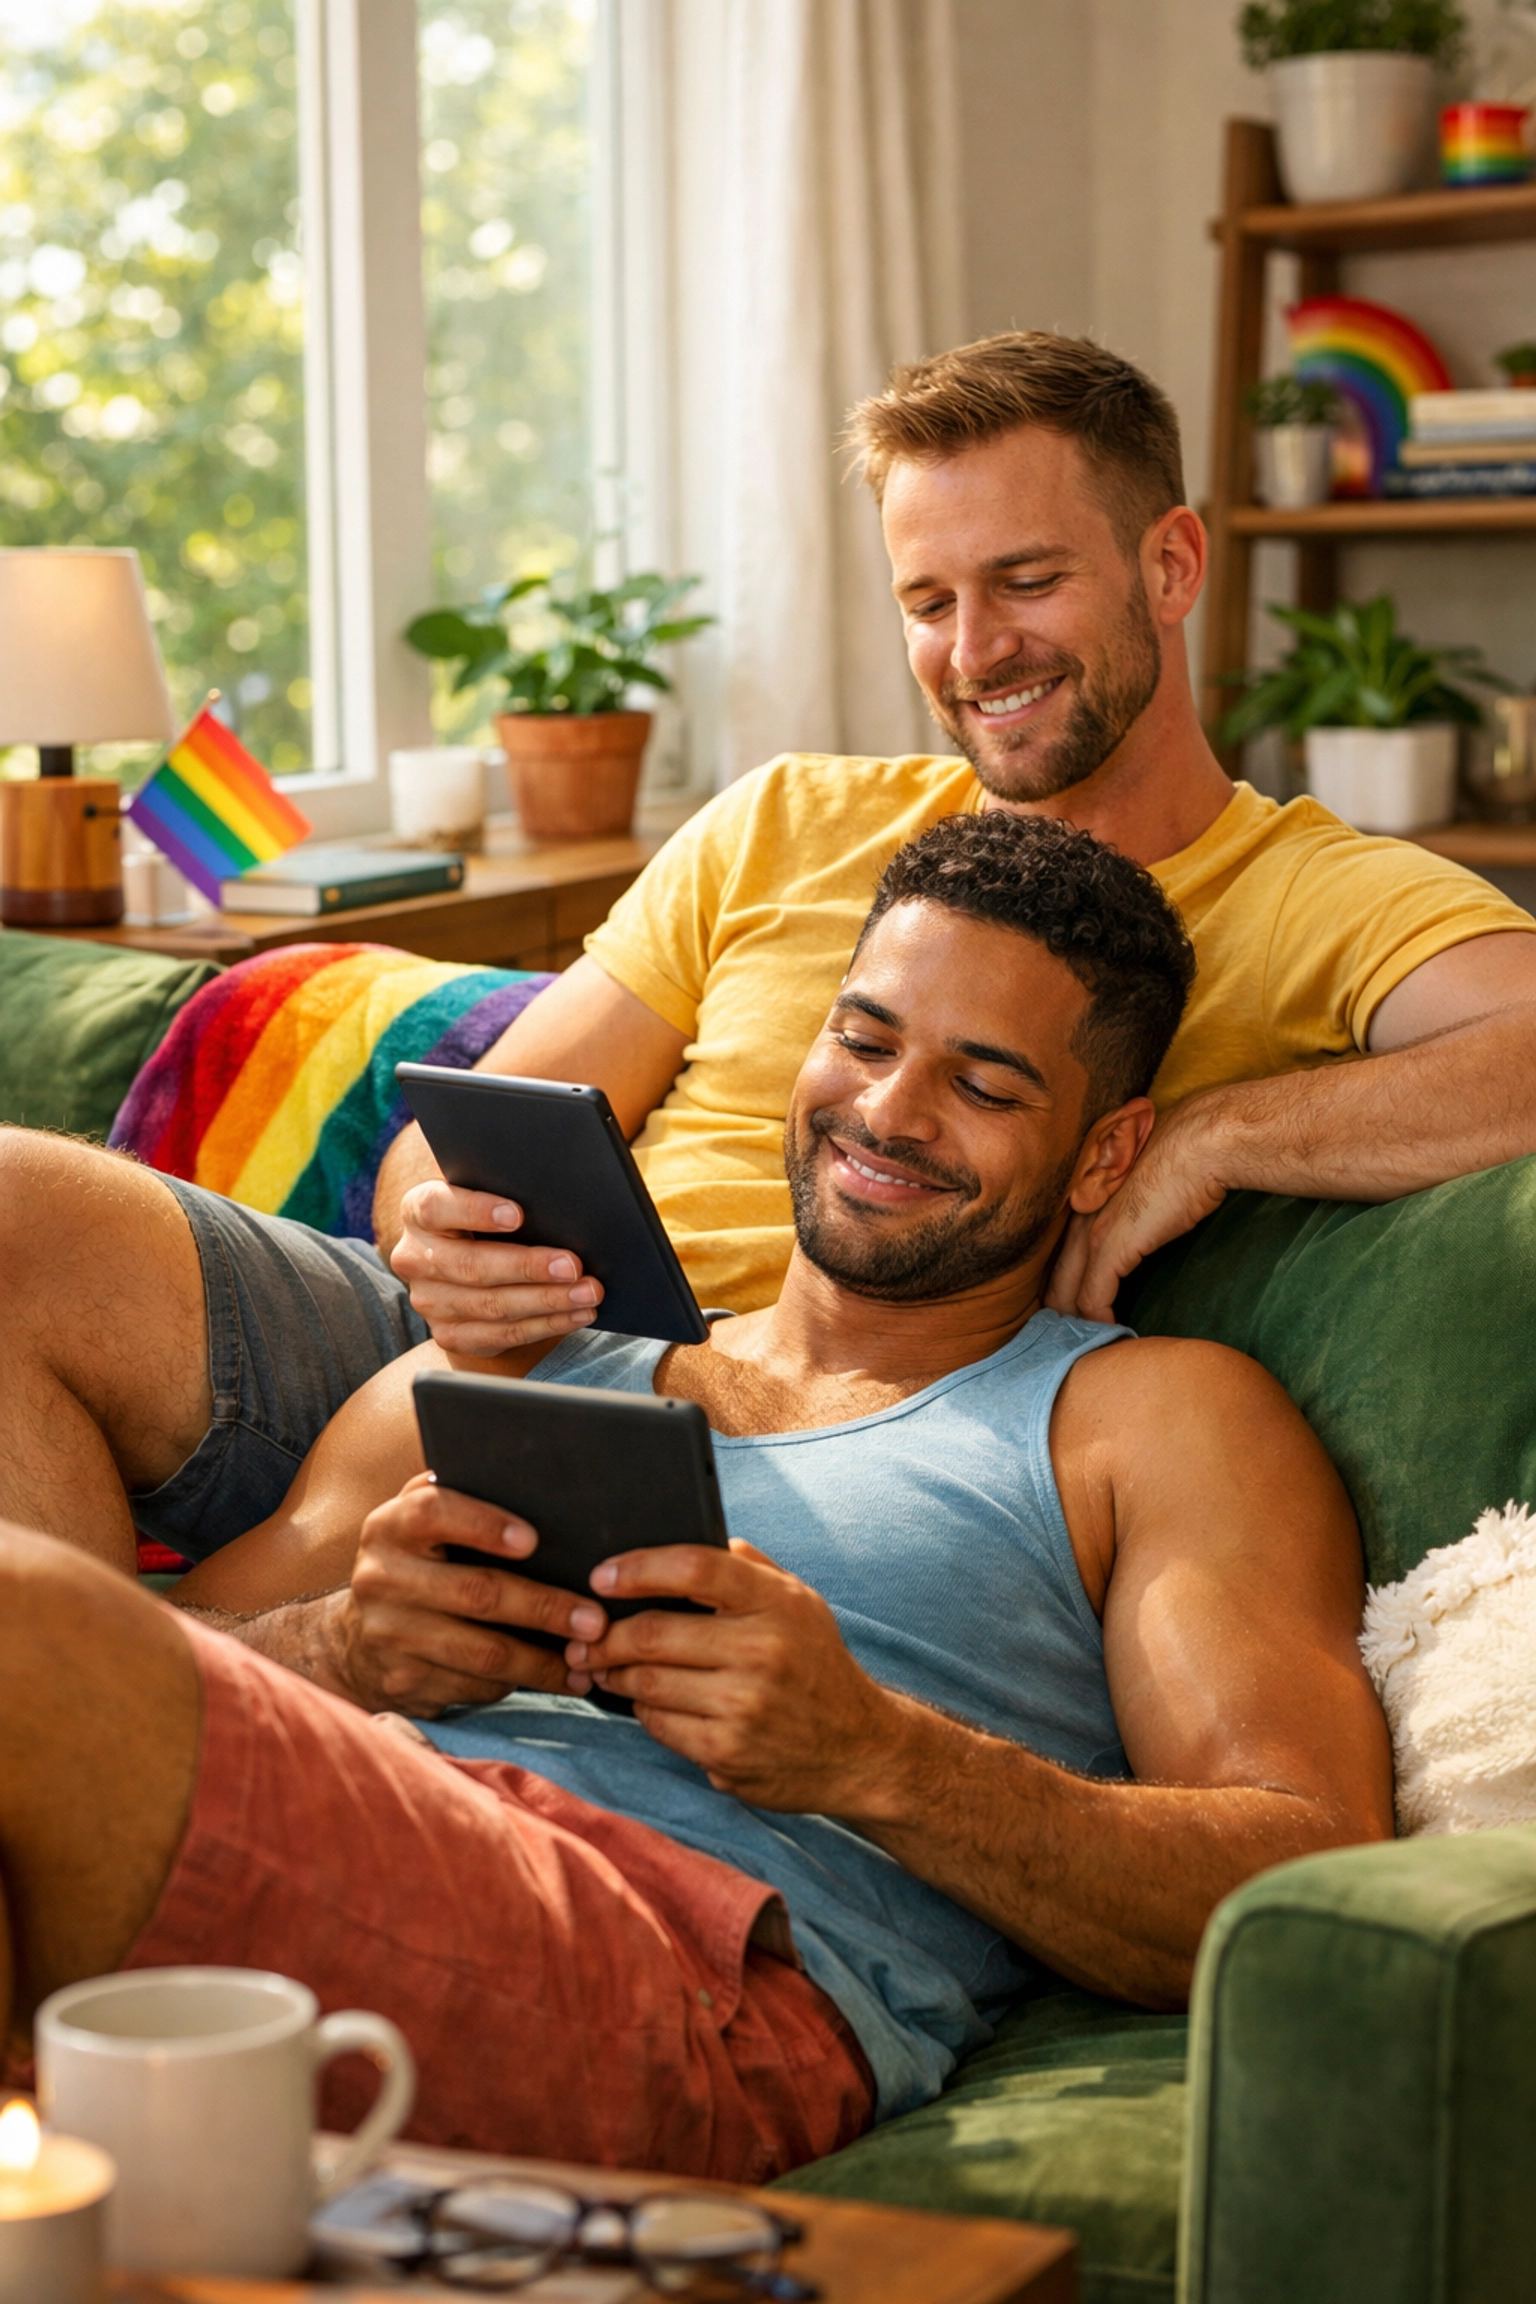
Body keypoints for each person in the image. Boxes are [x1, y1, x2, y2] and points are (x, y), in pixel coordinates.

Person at [0, 815, 1391, 2181]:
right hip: (366, 1873)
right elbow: (158, 1664)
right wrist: (340, 1652)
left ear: (1102, 1153)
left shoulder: (1154, 1417)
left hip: (690, 1966)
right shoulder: (509, 1366)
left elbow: (1306, 1871)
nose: (888, 1113)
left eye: (986, 1085)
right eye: (863, 1039)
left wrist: (873, 1753)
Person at [3, 331, 1534, 1572]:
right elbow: (465, 1140)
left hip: (789, 1435)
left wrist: (1216, 1134)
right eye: (928, 601)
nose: (974, 651)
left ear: (1173, 567)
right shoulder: (788, 815)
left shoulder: (1308, 892)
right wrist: (445, 1231)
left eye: (1028, 581)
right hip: (485, 1348)